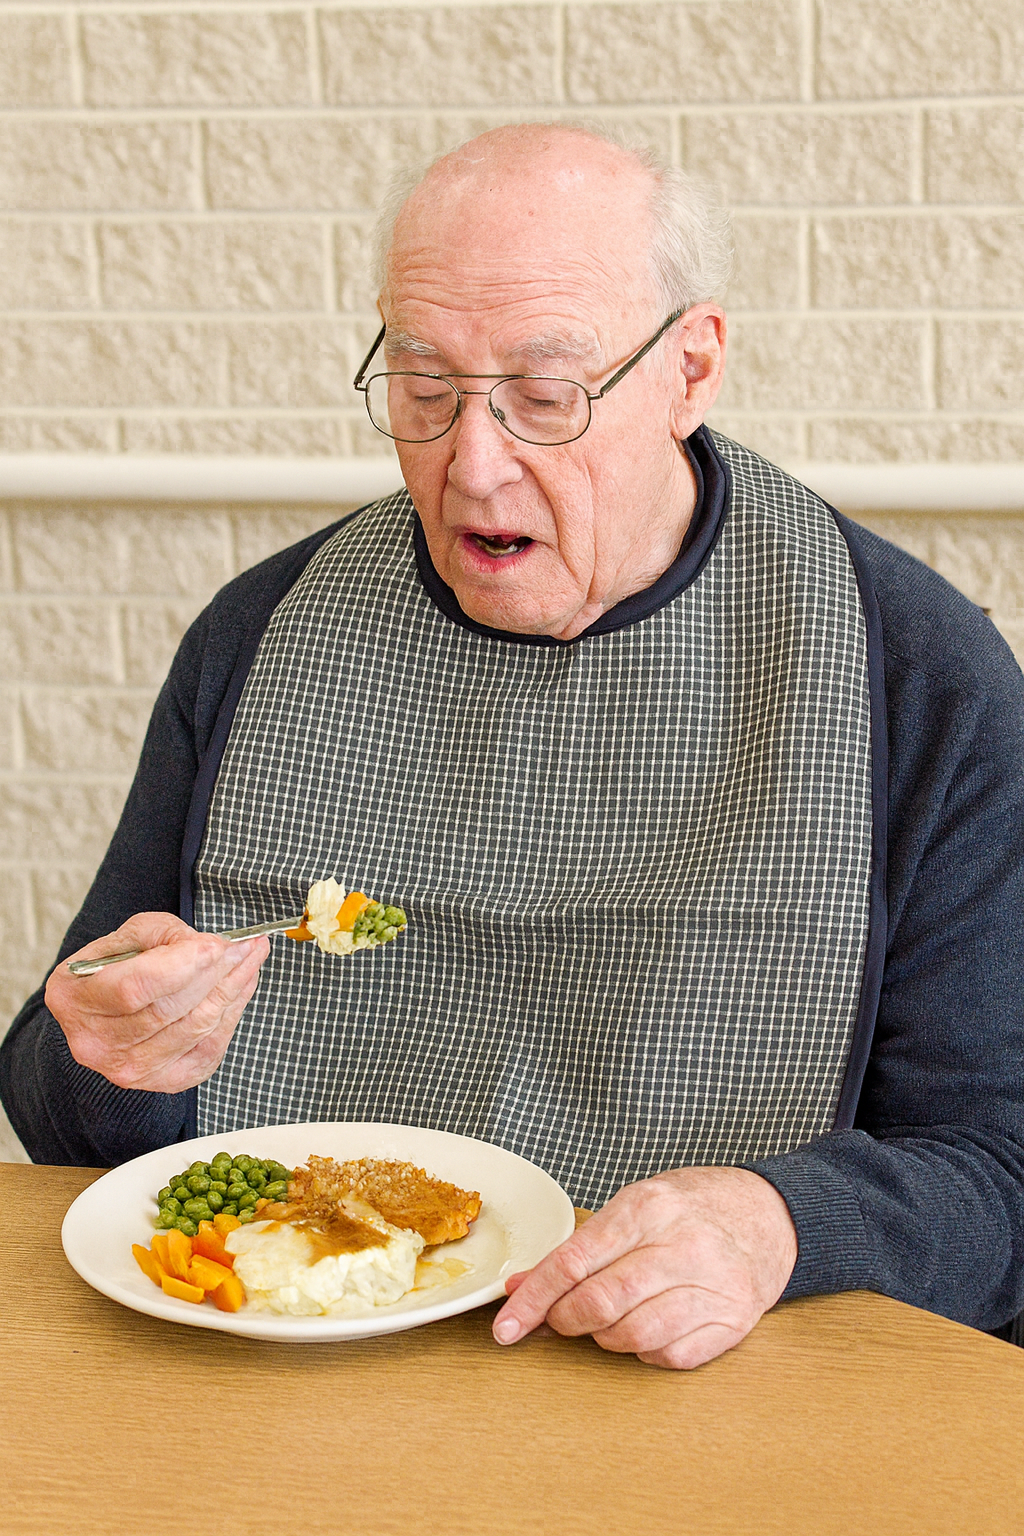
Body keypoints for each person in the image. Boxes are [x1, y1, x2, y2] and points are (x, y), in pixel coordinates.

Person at [3, 124, 1024, 1369]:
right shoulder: (265, 634)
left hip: (694, 1397)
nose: (472, 467)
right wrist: (114, 1061)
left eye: (546, 398)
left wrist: (782, 1225)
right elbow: (62, 1106)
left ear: (691, 370)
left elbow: (998, 1173)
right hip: (284, 1371)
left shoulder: (914, 674)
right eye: (423, 392)